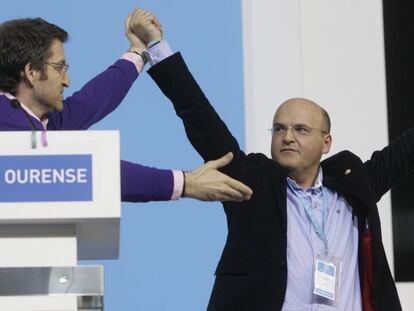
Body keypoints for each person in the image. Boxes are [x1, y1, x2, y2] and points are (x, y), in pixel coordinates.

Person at [129, 8, 409, 311]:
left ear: (326, 142)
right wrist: (157, 45)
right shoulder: (250, 184)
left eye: (301, 129)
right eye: (279, 129)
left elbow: (406, 151)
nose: (288, 137)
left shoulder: (355, 185)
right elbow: (200, 117)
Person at [0, 17, 252, 203]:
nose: (67, 81)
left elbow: (90, 103)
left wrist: (139, 52)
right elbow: (86, 172)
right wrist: (187, 183)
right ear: (31, 72)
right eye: (59, 67)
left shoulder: (32, 121)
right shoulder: (8, 125)